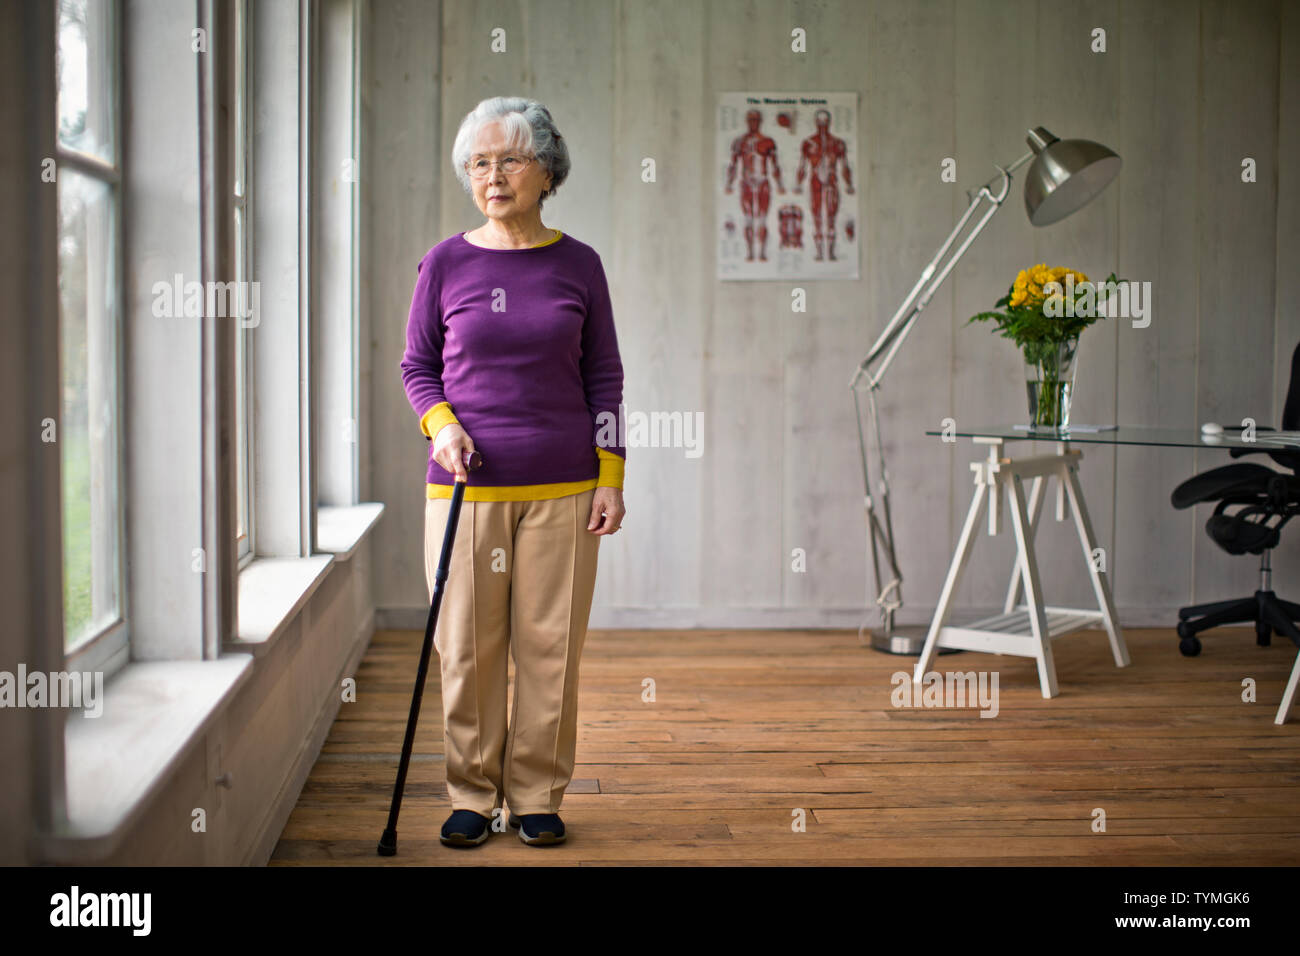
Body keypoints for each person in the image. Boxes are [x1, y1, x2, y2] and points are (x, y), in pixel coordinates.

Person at [399, 96, 626, 848]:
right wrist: (443, 426)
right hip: (465, 488)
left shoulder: (579, 264)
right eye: (478, 162)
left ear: (546, 170)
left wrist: (611, 475)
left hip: (563, 487)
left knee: (549, 648)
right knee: (465, 647)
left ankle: (535, 795)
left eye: (509, 159)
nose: (491, 175)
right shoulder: (446, 262)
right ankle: (471, 791)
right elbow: (418, 367)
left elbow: (605, 378)